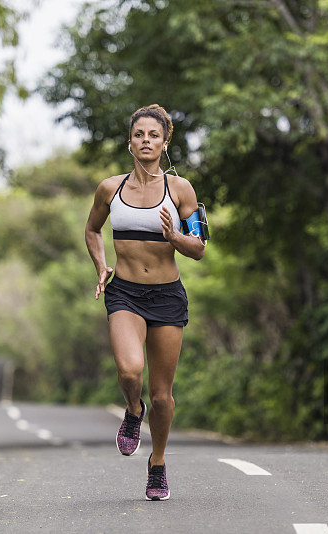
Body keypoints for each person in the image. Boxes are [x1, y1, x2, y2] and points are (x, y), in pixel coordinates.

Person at [85, 104, 206, 501]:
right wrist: (102, 264)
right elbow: (92, 229)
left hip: (167, 297)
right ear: (130, 142)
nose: (146, 141)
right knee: (129, 369)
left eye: (154, 135)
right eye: (139, 134)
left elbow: (199, 248)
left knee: (162, 395)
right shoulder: (110, 188)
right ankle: (132, 411)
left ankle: (156, 463)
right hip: (126, 293)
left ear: (165, 142)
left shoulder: (180, 190)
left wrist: (176, 239)